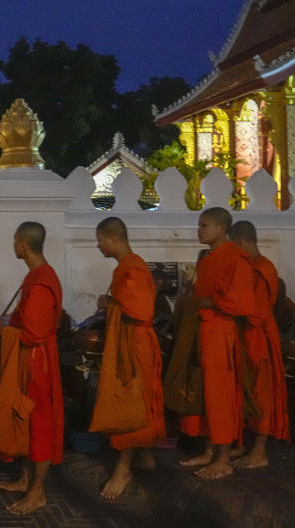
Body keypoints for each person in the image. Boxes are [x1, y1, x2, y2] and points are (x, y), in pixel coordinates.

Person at [0, 221, 63, 515]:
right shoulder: (36, 276)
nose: (13, 246)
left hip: (38, 363)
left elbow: (34, 333)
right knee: (24, 419)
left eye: (14, 241)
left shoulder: (43, 280)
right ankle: (24, 479)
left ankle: (37, 492)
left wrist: (3, 333)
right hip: (28, 359)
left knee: (40, 424)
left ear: (23, 244)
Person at [178, 207, 254, 480]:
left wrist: (210, 302)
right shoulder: (209, 259)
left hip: (221, 334)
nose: (199, 230)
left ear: (222, 229)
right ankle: (209, 451)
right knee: (205, 394)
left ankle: (223, 459)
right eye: (199, 225)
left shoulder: (237, 259)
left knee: (220, 396)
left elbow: (243, 303)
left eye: (205, 225)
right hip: (204, 331)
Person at [93, 217, 165, 499]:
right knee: (140, 397)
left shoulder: (132, 268)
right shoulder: (128, 266)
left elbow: (141, 311)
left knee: (129, 401)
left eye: (100, 240)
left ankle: (123, 468)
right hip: (132, 341)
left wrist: (107, 303)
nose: (98, 246)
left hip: (135, 343)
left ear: (112, 238)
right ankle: (144, 454)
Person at [228, 220, 289, 468]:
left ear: (241, 242)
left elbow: (256, 313)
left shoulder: (262, 269)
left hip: (259, 339)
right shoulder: (250, 267)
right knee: (244, 392)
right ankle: (242, 442)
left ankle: (260, 452)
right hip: (246, 337)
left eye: (233, 246)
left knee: (262, 394)